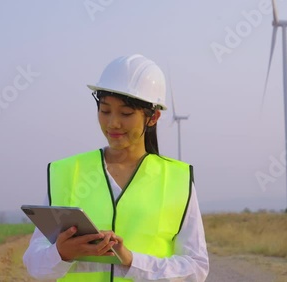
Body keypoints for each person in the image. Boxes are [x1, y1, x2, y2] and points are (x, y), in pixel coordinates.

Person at [23, 54, 209, 281]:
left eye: (126, 113)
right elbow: (35, 264)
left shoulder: (177, 179)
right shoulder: (67, 172)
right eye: (105, 110)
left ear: (153, 117)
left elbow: (196, 268)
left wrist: (132, 261)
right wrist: (60, 254)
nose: (113, 123)